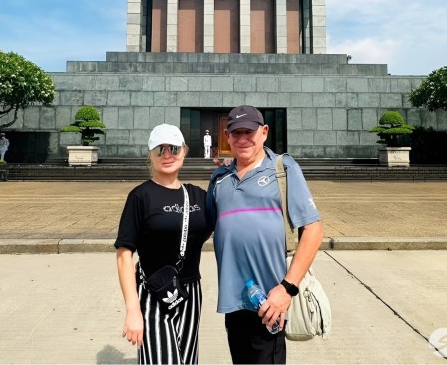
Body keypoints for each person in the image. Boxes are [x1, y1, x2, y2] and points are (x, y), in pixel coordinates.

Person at [207, 105, 324, 364]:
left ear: (264, 132)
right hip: (234, 301)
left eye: (249, 131)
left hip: (269, 300)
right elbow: (205, 225)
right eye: (236, 133)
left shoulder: (283, 168)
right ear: (227, 136)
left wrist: (287, 289)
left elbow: (313, 230)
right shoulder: (219, 178)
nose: (243, 138)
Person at [115, 124, 213, 364]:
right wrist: (133, 309)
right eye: (160, 150)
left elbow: (215, 229)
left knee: (187, 360)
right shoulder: (140, 196)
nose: (167, 155)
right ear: (150, 154)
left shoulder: (199, 196)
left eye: (173, 148)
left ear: (184, 151)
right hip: (152, 293)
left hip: (190, 293)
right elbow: (124, 255)